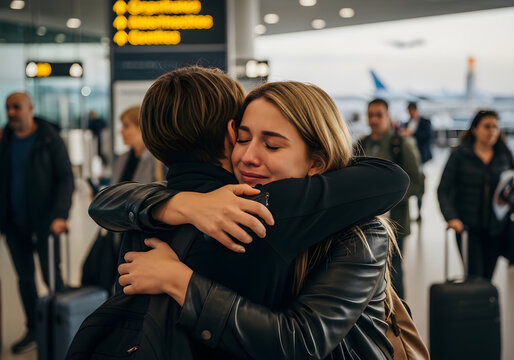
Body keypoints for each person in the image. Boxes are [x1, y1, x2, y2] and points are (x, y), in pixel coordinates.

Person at [89, 67, 408, 358]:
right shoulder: (227, 204)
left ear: (316, 162)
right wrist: (184, 204)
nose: (248, 157)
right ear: (230, 136)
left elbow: (302, 342)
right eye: (243, 139)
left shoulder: (359, 233)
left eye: (272, 146)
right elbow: (110, 200)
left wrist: (181, 281)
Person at [0, 92, 74, 353]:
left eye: (16, 107)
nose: (11, 112)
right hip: (14, 224)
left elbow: (66, 177)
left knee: (52, 276)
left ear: (30, 108)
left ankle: (61, 326)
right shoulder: (5, 140)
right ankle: (33, 328)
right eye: (7, 107)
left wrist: (60, 215)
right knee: (25, 279)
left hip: (46, 222)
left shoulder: (48, 138)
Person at [82, 105, 164, 294]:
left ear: (141, 128)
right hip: (118, 235)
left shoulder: (158, 163)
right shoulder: (122, 160)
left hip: (144, 241)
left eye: (126, 126)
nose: (121, 131)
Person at [354, 98, 422, 299]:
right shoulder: (361, 144)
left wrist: (388, 201)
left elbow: (416, 181)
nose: (373, 119)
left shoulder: (401, 145)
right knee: (367, 272)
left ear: (388, 116)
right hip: (366, 222)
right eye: (370, 115)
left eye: (378, 115)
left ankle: (400, 321)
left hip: (395, 221)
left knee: (394, 271)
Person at [438, 110, 513, 280]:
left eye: (495, 127)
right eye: (487, 126)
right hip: (467, 228)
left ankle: (484, 305)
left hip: (496, 227)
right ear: (475, 129)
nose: (492, 131)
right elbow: (443, 189)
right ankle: (475, 304)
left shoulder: (504, 155)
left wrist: (508, 200)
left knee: (488, 275)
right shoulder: (460, 155)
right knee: (473, 275)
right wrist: (451, 217)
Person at [399, 101, 433, 221]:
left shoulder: (425, 122)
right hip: (408, 159)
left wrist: (411, 134)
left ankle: (419, 211)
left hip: (420, 157)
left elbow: (427, 137)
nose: (410, 113)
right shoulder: (406, 123)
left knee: (419, 182)